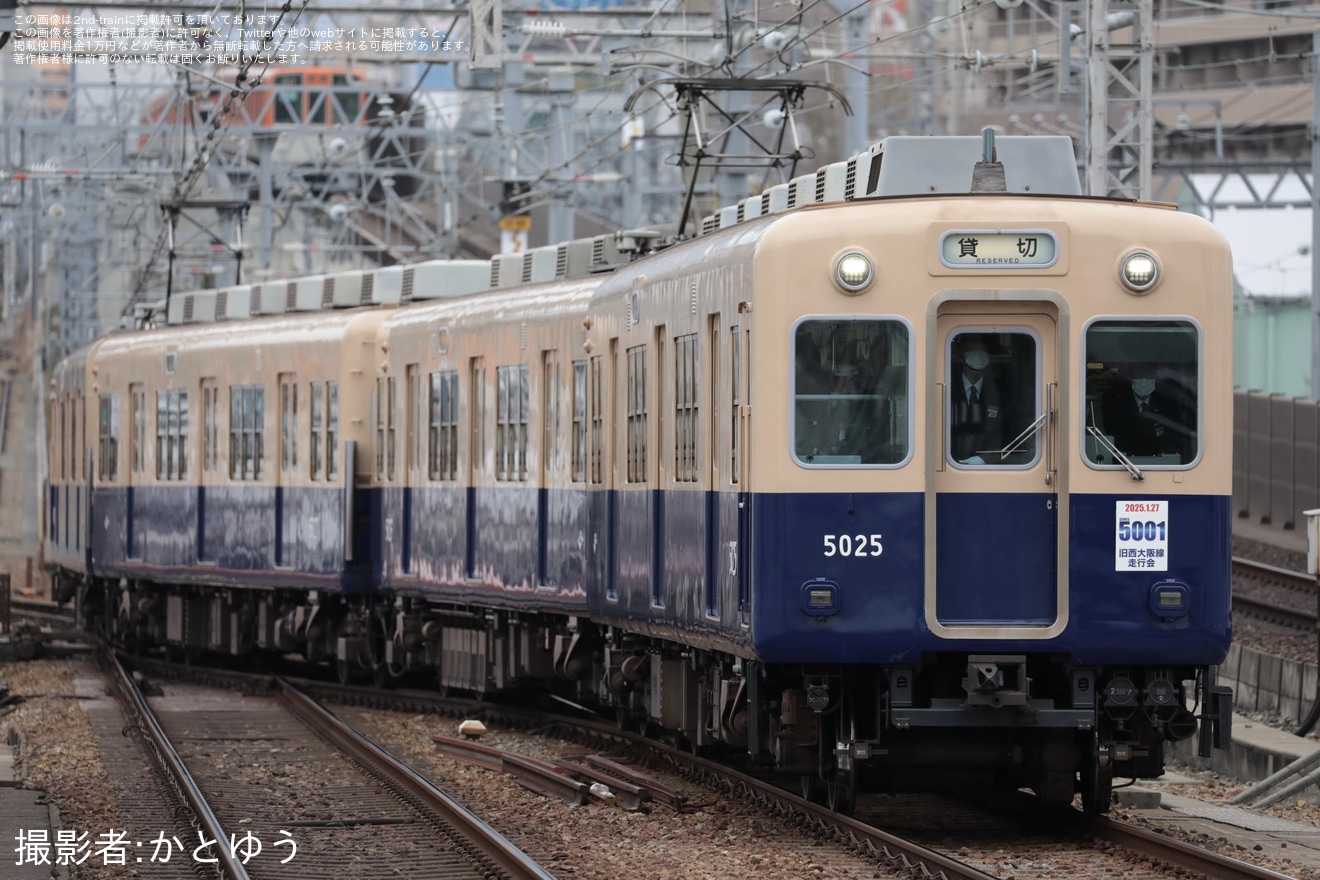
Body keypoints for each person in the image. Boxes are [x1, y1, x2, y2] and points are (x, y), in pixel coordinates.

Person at [1101, 363, 1187, 461]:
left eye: (1148, 376)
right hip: (1124, 464)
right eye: (1139, 376)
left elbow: (1175, 439)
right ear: (1131, 379)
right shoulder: (1114, 400)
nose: (1144, 380)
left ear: (1156, 379)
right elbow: (1115, 435)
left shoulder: (1168, 402)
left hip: (1163, 465)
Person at [950, 336, 1002, 465]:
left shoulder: (1001, 389)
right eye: (972, 350)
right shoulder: (946, 384)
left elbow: (1008, 432)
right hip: (949, 467)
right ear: (962, 355)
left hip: (990, 469)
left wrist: (984, 459)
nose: (978, 355)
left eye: (982, 350)